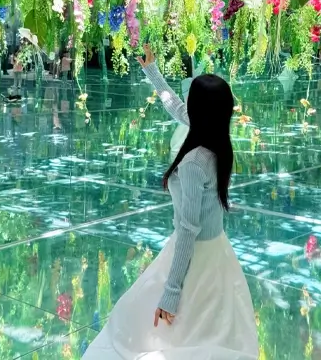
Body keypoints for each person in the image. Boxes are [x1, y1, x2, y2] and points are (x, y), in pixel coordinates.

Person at [85, 44, 259, 360]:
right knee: (209, 324)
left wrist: (172, 291)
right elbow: (176, 107)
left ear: (200, 111)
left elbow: (188, 229)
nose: (186, 107)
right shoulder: (216, 139)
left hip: (194, 256)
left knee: (148, 325)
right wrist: (152, 70)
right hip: (217, 251)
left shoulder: (194, 162)